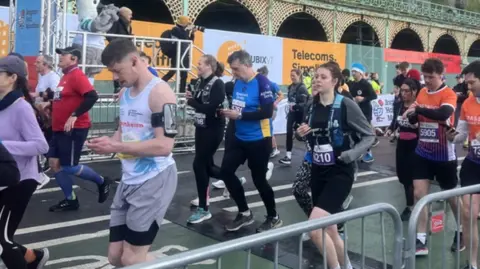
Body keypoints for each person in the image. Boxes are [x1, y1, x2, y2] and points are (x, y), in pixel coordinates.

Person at [87, 38, 178, 266]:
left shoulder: (161, 93)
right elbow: (123, 130)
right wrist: (107, 142)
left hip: (154, 179)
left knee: (131, 258)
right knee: (115, 257)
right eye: (112, 73)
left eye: (118, 71)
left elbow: (165, 146)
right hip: (129, 180)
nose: (116, 79)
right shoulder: (126, 92)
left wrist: (116, 146)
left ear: (135, 61)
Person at [296, 62, 374, 269]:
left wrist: (351, 154)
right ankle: (347, 266)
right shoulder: (311, 105)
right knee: (329, 229)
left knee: (315, 229)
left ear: (335, 81)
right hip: (318, 170)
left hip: (340, 171)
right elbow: (306, 133)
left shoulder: (346, 104)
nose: (316, 80)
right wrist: (300, 133)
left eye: (322, 77)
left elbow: (369, 135)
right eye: (315, 76)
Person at [404, 58, 463, 255]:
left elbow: (443, 113)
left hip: (443, 154)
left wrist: (418, 109)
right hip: (423, 151)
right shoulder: (422, 91)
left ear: (441, 75)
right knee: (419, 194)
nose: (427, 80)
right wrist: (411, 116)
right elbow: (417, 117)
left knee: (451, 196)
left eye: (431, 77)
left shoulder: (448, 94)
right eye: (425, 76)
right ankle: (421, 240)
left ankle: (461, 229)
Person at [220, 50, 282, 233]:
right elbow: (236, 108)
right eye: (232, 69)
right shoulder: (238, 83)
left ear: (247, 65)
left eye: (237, 69)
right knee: (226, 172)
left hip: (259, 139)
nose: (234, 73)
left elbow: (267, 112)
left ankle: (273, 216)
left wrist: (239, 115)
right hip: (239, 138)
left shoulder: (263, 83)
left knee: (259, 180)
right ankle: (245, 212)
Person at [0, 55, 50, 269]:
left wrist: (3, 146)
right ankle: (33, 257)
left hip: (21, 181)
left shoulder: (21, 107)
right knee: (3, 239)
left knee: (2, 241)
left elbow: (41, 146)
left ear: (12, 77)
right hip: (5, 177)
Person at [48, 46, 111, 212]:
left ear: (74, 59)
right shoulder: (65, 77)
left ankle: (102, 181)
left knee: (69, 166)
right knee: (54, 164)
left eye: (64, 54)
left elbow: (92, 96)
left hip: (73, 129)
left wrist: (75, 115)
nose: (60, 57)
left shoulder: (77, 75)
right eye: (60, 54)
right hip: (59, 129)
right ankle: (71, 200)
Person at [447, 60, 480, 269]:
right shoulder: (468, 103)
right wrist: (452, 136)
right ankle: (473, 263)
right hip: (473, 163)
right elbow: (462, 135)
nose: (468, 87)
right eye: (467, 83)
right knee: (468, 214)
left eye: (472, 82)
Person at [186, 55, 226, 224]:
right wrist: (192, 99)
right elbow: (196, 102)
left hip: (214, 128)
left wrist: (192, 102)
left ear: (209, 66)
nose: (197, 66)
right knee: (207, 166)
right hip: (200, 127)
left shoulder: (218, 83)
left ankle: (204, 208)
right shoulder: (197, 82)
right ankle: (230, 179)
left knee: (199, 164)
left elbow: (211, 108)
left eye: (200, 64)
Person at [385, 79, 419, 221]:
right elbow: (395, 121)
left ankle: (413, 207)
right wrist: (389, 130)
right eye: (402, 90)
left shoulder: (418, 106)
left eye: (407, 91)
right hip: (402, 145)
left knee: (414, 179)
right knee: (403, 177)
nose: (403, 94)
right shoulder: (398, 105)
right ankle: (410, 204)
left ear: (414, 91)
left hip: (416, 145)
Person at [279, 69, 309, 165]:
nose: (292, 77)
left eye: (293, 75)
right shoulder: (290, 87)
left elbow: (304, 104)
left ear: (299, 75)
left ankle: (309, 155)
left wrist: (295, 106)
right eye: (290, 75)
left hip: (300, 115)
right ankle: (288, 156)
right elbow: (290, 100)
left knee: (303, 136)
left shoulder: (302, 88)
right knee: (289, 133)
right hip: (292, 114)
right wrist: (290, 106)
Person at [350, 62, 378, 163]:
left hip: (365, 112)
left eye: (355, 71)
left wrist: (363, 99)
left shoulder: (366, 84)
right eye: (352, 71)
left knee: (364, 133)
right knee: (353, 132)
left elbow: (374, 96)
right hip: (355, 112)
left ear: (360, 73)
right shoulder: (352, 84)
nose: (353, 73)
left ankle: (368, 153)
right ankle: (360, 149)